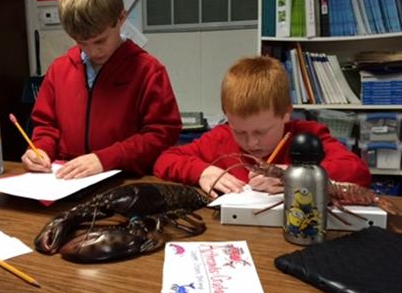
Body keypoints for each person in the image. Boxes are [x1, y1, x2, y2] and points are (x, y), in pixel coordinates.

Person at [22, 0, 182, 179]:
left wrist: (104, 159)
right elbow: (46, 126)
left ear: (121, 18)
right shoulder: (59, 70)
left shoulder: (148, 71)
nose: (92, 51)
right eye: (81, 43)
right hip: (66, 182)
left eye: (100, 40)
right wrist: (40, 150)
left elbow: (161, 135)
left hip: (124, 182)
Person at [154, 56, 371, 198]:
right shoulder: (221, 138)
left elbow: (359, 172)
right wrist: (202, 171)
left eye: (261, 131)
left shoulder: (308, 136)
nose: (251, 143)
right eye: (239, 131)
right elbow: (164, 160)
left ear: (286, 112)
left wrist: (296, 176)